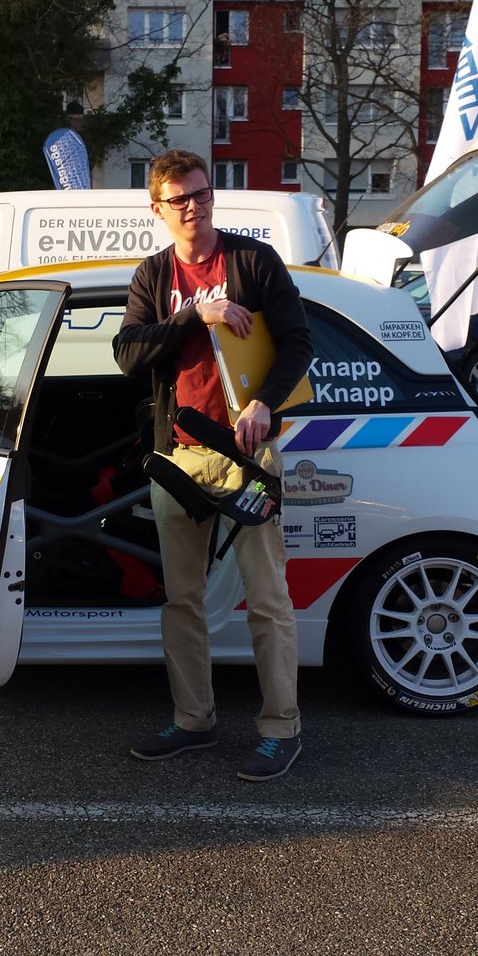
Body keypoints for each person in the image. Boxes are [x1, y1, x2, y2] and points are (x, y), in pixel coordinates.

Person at [112, 150, 313, 782]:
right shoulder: (153, 275)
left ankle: (281, 729)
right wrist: (195, 314)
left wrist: (264, 402)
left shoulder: (253, 261)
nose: (194, 207)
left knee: (268, 598)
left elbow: (299, 343)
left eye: (201, 194)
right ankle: (193, 720)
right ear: (158, 209)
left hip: (248, 455)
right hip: (179, 455)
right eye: (180, 199)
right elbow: (127, 353)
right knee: (183, 600)